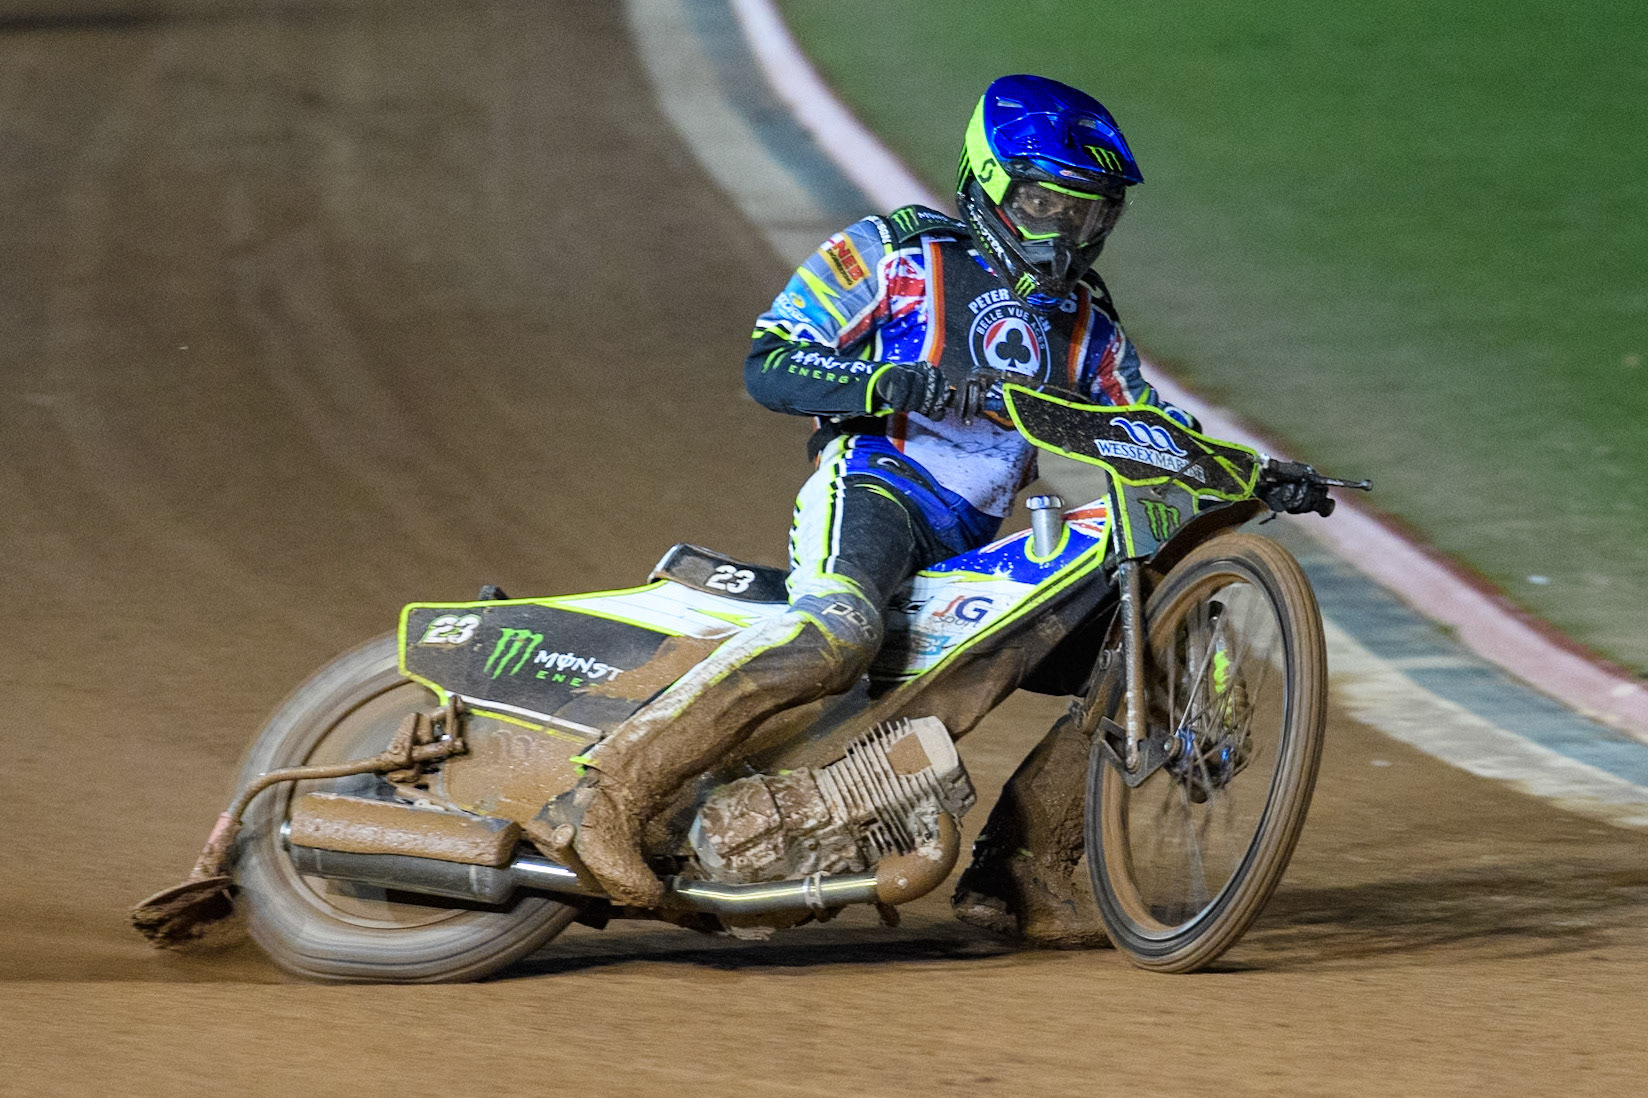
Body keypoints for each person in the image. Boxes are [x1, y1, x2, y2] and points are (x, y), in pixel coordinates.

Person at [530, 74, 1195, 944]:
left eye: (1089, 215)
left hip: (973, 544)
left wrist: (1257, 471)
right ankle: (603, 796)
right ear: (988, 182)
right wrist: (880, 379)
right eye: (1046, 205)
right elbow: (769, 362)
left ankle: (1020, 872)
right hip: (877, 483)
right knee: (841, 633)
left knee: (1131, 659)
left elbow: (1142, 423)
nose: (1066, 236)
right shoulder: (898, 254)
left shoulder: (1088, 326)